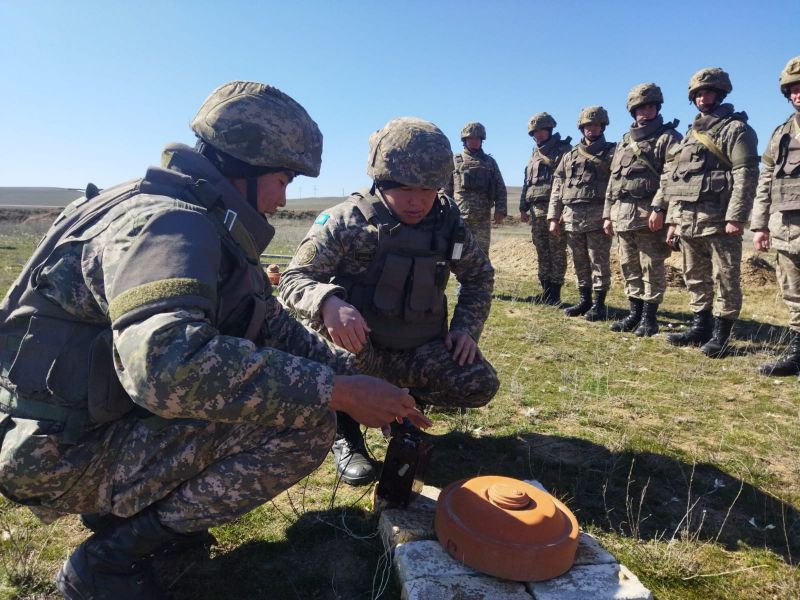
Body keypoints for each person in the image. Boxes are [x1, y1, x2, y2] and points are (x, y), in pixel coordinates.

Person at [0, 82, 428, 600]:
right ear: (245, 168)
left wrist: (360, 380)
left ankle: (125, 512)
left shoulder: (194, 213)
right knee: (308, 425)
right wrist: (337, 394)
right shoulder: (168, 226)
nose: (282, 198)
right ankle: (107, 561)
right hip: (52, 453)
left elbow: (270, 324)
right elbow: (168, 368)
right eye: (282, 179)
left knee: (302, 398)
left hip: (76, 424)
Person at [279, 117, 499, 486]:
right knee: (329, 361)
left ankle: (401, 416)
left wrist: (466, 329)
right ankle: (344, 434)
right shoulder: (347, 220)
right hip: (361, 349)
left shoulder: (449, 225)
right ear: (381, 181)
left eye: (427, 189)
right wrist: (328, 302)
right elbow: (293, 278)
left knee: (478, 381)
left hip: (418, 347)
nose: (416, 201)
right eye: (404, 189)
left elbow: (479, 276)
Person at [663, 68, 759, 357]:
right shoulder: (690, 136)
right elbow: (675, 180)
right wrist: (672, 220)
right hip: (688, 220)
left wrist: (736, 217)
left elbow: (746, 175)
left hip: (719, 220)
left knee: (726, 277)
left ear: (720, 93)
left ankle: (722, 335)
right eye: (698, 94)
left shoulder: (736, 130)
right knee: (694, 275)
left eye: (708, 92)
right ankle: (700, 327)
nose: (702, 98)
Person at [603, 84, 682, 336]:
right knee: (628, 266)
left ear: (657, 107)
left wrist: (659, 208)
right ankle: (634, 313)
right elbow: (613, 182)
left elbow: (671, 177)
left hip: (649, 215)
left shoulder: (668, 138)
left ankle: (650, 318)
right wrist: (607, 214)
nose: (644, 112)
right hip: (622, 216)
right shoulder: (625, 142)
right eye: (639, 108)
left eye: (649, 107)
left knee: (652, 266)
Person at [751, 56, 800, 376]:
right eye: (793, 89)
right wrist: (759, 225)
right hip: (787, 227)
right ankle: (797, 352)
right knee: (793, 293)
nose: (798, 94)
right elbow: (766, 180)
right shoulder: (781, 132)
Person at [548, 106, 616, 321]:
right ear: (582, 128)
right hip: (572, 216)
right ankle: (584, 300)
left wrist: (610, 215)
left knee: (598, 260)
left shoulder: (613, 152)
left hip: (598, 215)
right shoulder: (569, 156)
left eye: (596, 125)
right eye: (588, 125)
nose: (592, 129)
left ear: (602, 126)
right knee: (579, 261)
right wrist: (553, 216)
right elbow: (558, 187)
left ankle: (598, 304)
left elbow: (617, 185)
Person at [519, 112, 572, 305]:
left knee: (556, 251)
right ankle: (546, 292)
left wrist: (561, 212)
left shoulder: (564, 150)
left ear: (549, 130)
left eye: (541, 131)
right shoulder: (534, 154)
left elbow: (568, 182)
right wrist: (523, 207)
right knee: (542, 250)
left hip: (554, 210)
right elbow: (527, 182)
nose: (538, 135)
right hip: (535, 210)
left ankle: (555, 294)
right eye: (535, 132)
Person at [443, 122, 507, 257]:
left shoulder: (490, 162)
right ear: (464, 140)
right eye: (471, 138)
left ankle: (481, 278)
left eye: (477, 138)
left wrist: (500, 210)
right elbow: (446, 189)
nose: (474, 141)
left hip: (483, 217)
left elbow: (500, 187)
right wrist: (445, 212)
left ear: (482, 140)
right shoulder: (455, 160)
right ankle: (458, 277)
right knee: (457, 251)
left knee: (481, 252)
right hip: (459, 216)